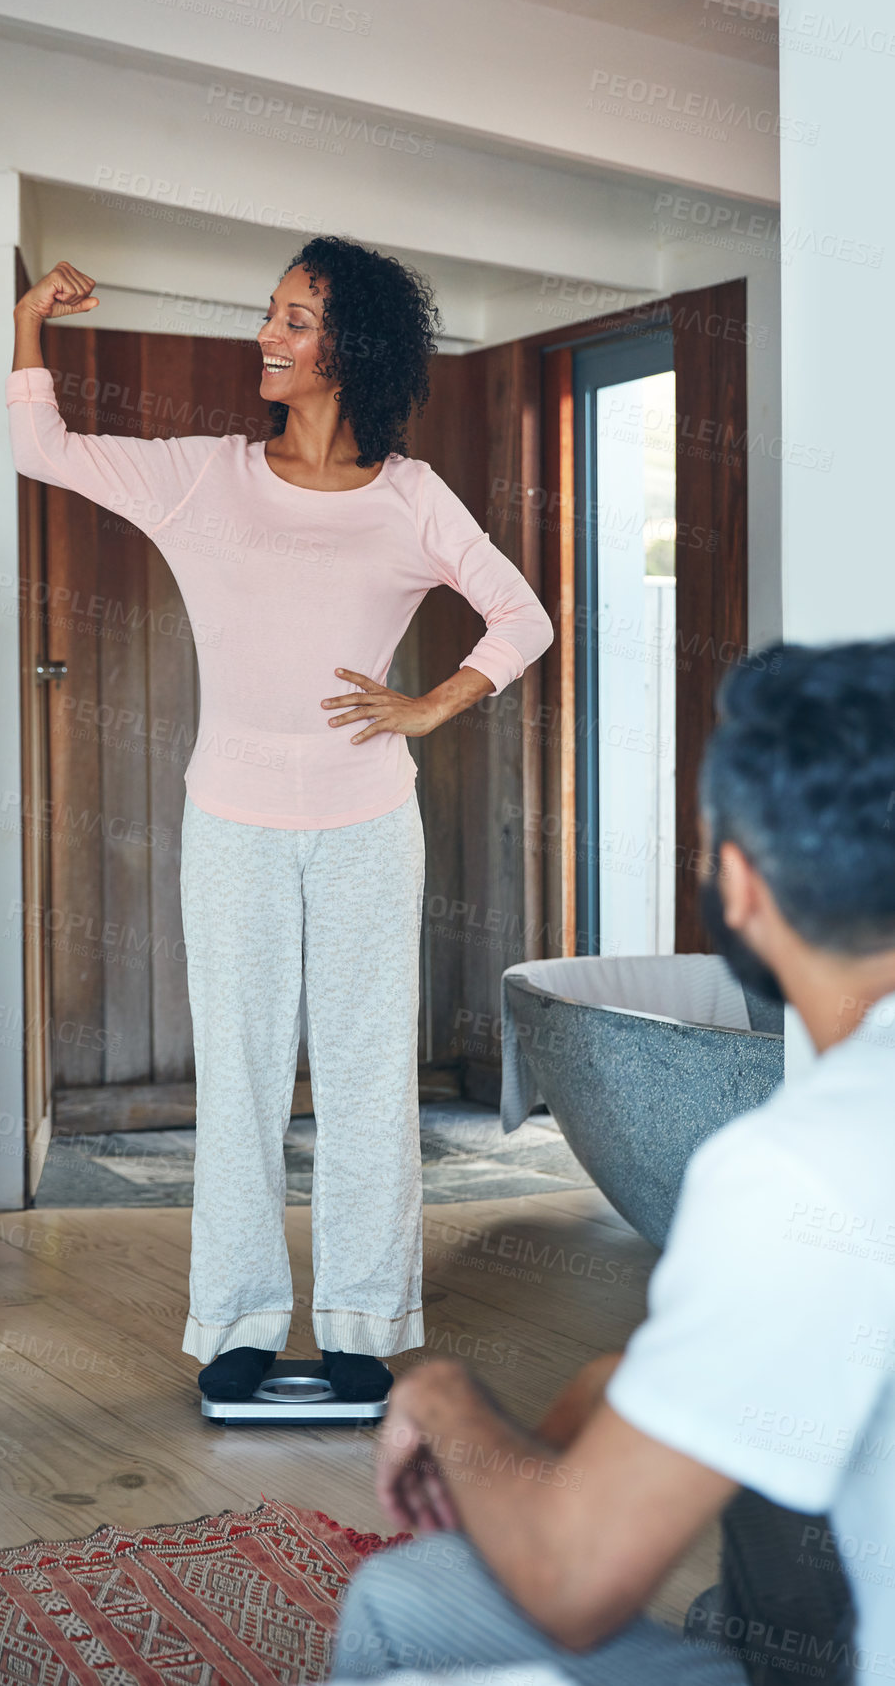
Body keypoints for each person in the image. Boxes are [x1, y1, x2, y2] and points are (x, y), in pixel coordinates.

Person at [6, 240, 554, 1403]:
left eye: (294, 319)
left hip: (367, 824)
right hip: (232, 823)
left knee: (365, 1077)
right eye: (270, 313)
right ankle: (239, 1323)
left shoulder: (410, 497)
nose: (267, 334)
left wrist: (428, 705)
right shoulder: (202, 477)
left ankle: (360, 1320)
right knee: (243, 1078)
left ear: (348, 347)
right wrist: (27, 325)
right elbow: (37, 448)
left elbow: (522, 614)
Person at [331, 638, 895, 1685]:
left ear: (736, 881)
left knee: (403, 1617)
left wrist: (442, 1399)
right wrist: (615, 1387)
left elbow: (573, 1581)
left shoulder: (798, 1167)